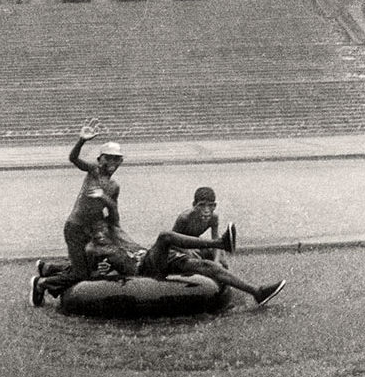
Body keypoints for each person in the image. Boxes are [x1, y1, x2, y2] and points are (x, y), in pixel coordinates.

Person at [31, 221, 285, 308]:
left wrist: (49, 268)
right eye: (95, 230)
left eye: (101, 229)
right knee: (165, 236)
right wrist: (106, 271)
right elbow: (85, 272)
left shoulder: (115, 236)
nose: (100, 232)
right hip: (145, 268)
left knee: (208, 269)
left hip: (153, 258)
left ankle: (257, 292)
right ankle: (220, 243)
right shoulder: (93, 249)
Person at [30, 119, 124, 303]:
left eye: (116, 158)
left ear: (120, 161)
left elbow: (113, 213)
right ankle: (42, 284)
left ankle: (49, 268)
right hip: (75, 227)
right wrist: (82, 140)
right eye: (108, 157)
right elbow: (73, 159)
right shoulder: (94, 171)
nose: (112, 162)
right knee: (82, 273)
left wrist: (108, 205)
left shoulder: (114, 186)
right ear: (100, 159)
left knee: (91, 266)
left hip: (92, 229)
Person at [169, 186, 232, 270]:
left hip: (196, 244)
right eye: (202, 205)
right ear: (194, 205)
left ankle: (224, 280)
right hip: (181, 247)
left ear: (215, 205)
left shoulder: (214, 218)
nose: (206, 210)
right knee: (193, 259)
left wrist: (216, 261)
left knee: (222, 259)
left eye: (210, 206)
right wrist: (187, 251)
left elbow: (216, 241)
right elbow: (172, 241)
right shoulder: (185, 218)